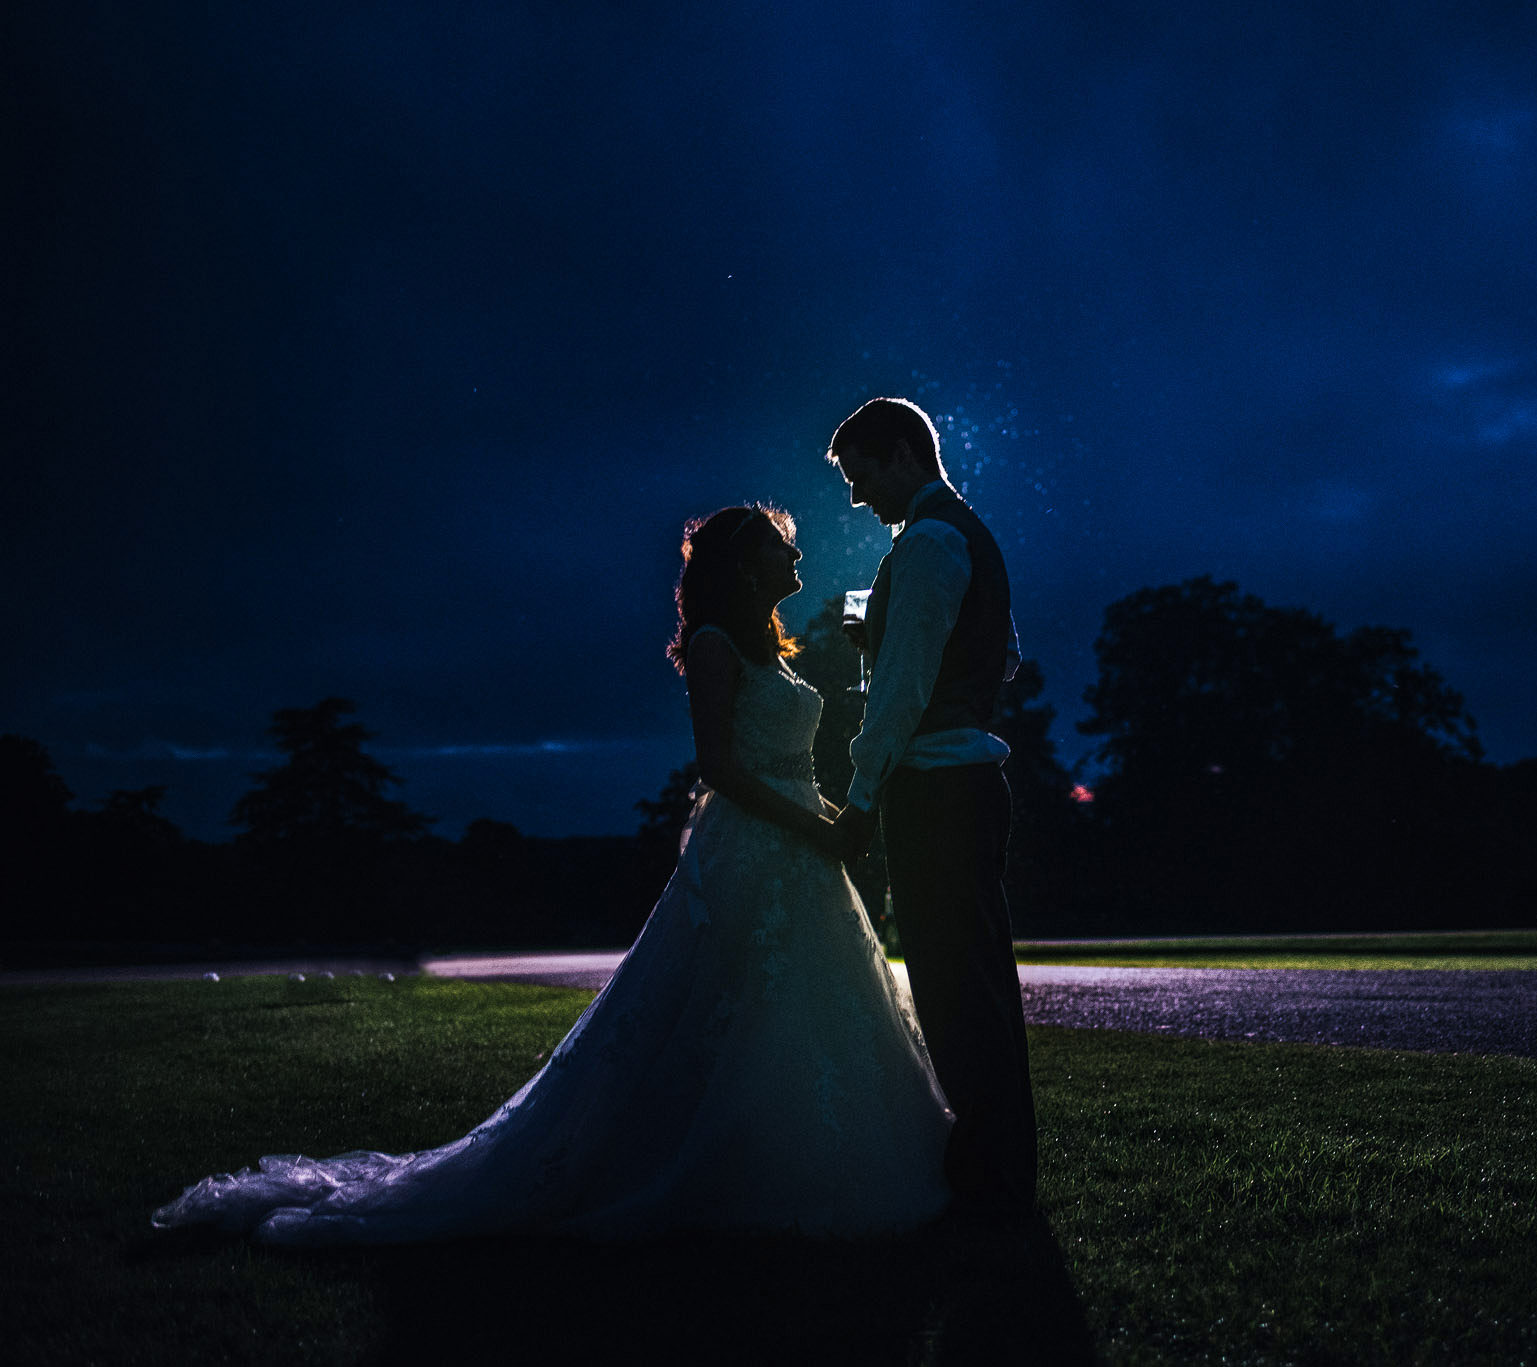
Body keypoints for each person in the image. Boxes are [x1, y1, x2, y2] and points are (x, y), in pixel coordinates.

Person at [151, 505, 953, 1244]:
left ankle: (803, 1159)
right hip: (758, 845)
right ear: (748, 563)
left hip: (801, 850)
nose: (798, 551)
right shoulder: (713, 644)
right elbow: (718, 766)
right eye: (783, 544)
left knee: (799, 1010)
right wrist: (817, 826)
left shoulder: (768, 646)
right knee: (733, 1010)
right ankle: (725, 1173)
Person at [826, 397, 1038, 1218]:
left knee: (954, 988)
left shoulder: (925, 542)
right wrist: (891, 632)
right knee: (978, 978)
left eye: (860, 475)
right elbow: (1007, 656)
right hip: (973, 784)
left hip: (936, 790)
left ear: (904, 456)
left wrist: (861, 797)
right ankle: (999, 1165)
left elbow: (900, 694)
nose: (855, 496)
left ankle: (988, 1175)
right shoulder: (967, 533)